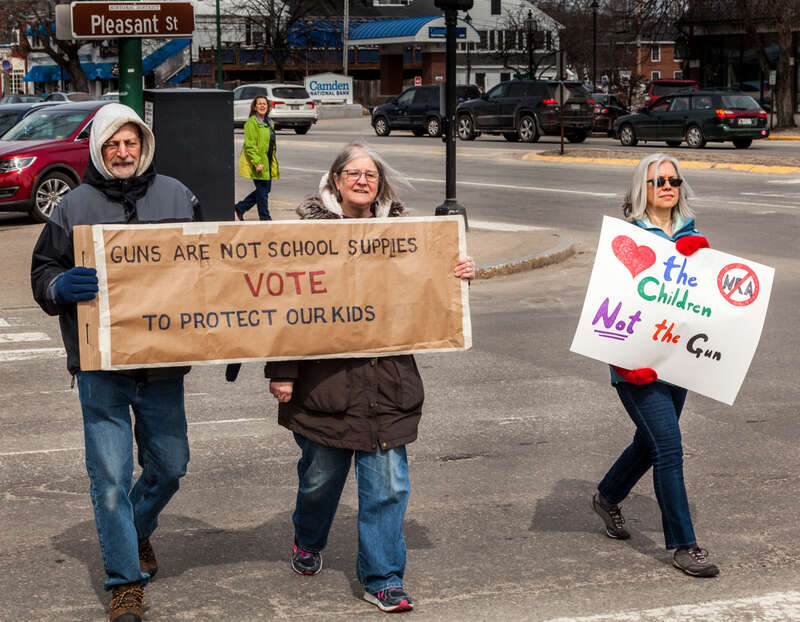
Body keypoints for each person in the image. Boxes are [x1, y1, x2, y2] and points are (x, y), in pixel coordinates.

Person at [261, 141, 475, 612]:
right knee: (320, 481)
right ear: (335, 180)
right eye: (353, 173)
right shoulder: (306, 237)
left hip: (387, 383)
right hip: (326, 388)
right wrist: (282, 372)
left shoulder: (407, 235)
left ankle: (383, 577)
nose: (362, 180)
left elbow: (430, 292)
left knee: (389, 487)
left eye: (371, 175)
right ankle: (308, 539)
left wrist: (457, 271)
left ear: (380, 185)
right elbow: (286, 307)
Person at [31, 103, 199, 622]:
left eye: (130, 143)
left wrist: (228, 338)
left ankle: (136, 528)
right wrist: (59, 285)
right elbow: (42, 272)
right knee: (108, 480)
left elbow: (213, 270)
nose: (123, 153)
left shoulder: (178, 195)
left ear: (143, 145)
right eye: (112, 145)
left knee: (171, 467)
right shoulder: (71, 206)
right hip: (100, 365)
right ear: (99, 151)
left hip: (163, 364)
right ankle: (125, 581)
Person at [590, 153, 719, 578]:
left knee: (650, 443)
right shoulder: (626, 238)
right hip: (637, 367)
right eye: (656, 180)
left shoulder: (693, 235)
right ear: (640, 189)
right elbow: (609, 304)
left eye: (673, 180)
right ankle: (684, 544)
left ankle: (608, 496)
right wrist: (626, 363)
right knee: (669, 447)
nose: (666, 186)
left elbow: (701, 303)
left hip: (676, 358)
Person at [235, 95, 279, 221]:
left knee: (265, 190)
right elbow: (250, 146)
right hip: (259, 162)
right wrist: (257, 162)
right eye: (259, 104)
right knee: (263, 191)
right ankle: (265, 219)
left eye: (264, 104)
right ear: (254, 107)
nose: (262, 106)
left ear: (268, 106)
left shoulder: (269, 122)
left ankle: (241, 207)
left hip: (268, 161)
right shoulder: (252, 122)